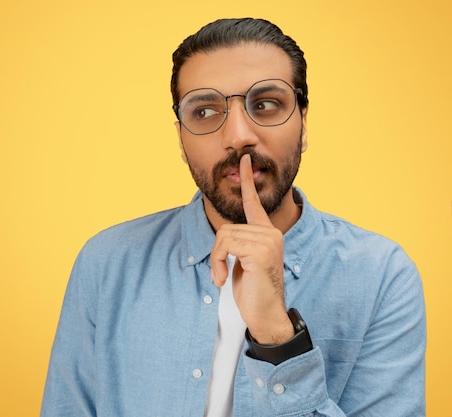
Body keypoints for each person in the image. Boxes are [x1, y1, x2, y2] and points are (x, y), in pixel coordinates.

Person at [40, 18, 426, 417]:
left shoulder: (382, 276)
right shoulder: (106, 263)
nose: (238, 135)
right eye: (205, 111)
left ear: (304, 124)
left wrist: (277, 336)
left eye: (265, 104)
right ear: (181, 139)